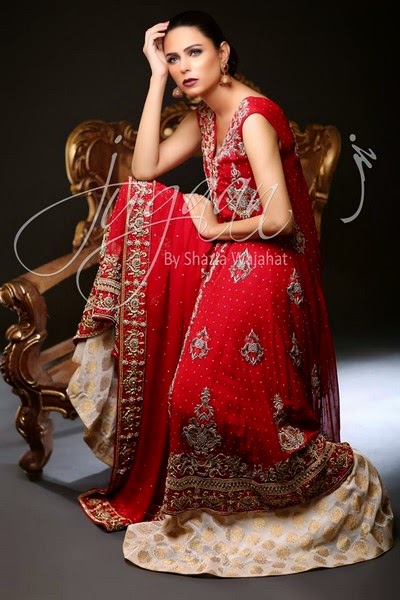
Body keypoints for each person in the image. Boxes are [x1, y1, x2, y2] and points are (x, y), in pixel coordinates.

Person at [67, 10, 393, 577]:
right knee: (190, 396)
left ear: (223, 53)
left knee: (216, 400)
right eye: (173, 58)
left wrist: (216, 228)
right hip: (230, 260)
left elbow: (281, 218)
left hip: (269, 265)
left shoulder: (254, 117)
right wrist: (153, 78)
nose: (183, 67)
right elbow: (144, 169)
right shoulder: (204, 115)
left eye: (194, 53)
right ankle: (223, 496)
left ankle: (319, 483)